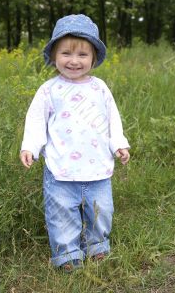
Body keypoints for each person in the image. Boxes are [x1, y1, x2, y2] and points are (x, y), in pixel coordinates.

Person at [20, 14, 130, 273]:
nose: (74, 61)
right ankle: (68, 254)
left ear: (93, 58)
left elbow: (113, 118)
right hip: (60, 168)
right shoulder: (49, 90)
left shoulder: (100, 88)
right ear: (54, 56)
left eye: (82, 55)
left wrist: (118, 144)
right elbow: (36, 120)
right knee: (61, 214)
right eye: (66, 53)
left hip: (98, 167)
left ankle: (97, 246)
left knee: (101, 211)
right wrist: (30, 146)